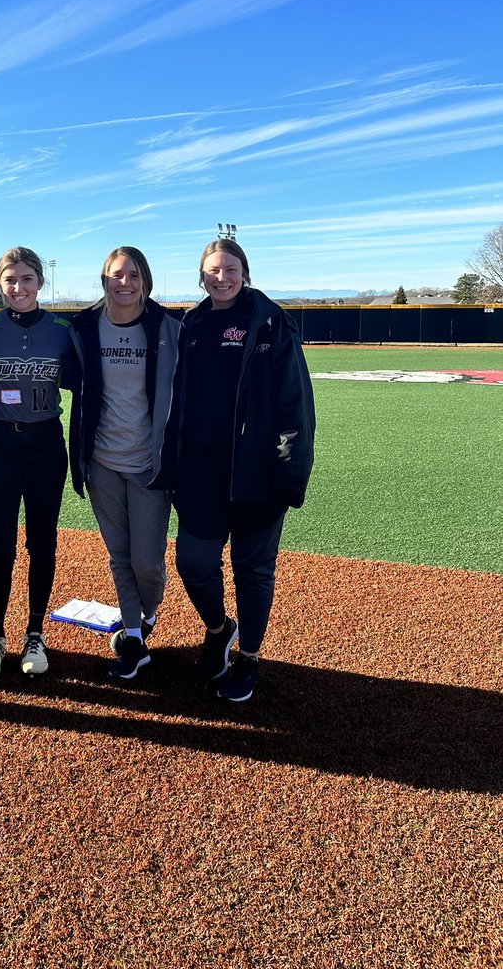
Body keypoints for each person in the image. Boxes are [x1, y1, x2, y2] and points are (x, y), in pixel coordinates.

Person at [163, 237, 315, 703]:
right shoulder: (191, 323)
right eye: (213, 270)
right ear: (201, 275)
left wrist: (290, 473)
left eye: (230, 269)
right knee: (192, 561)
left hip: (257, 475)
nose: (222, 278)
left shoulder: (271, 322)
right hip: (201, 473)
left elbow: (295, 405)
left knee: (253, 570)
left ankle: (247, 658)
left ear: (244, 272)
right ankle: (218, 628)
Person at [69, 247, 180, 679]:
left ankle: (147, 611)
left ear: (145, 280)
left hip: (151, 466)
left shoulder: (169, 326)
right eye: (117, 275)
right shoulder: (82, 327)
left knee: (148, 563)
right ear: (104, 280)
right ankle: (133, 636)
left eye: (133, 275)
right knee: (119, 556)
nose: (125, 283)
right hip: (102, 463)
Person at [0, 247, 76, 678]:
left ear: (40, 282)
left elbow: (86, 387)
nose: (19, 287)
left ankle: (35, 632)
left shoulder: (64, 330)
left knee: (42, 541)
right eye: (11, 279)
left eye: (27, 279)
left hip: (46, 442)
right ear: (1, 283)